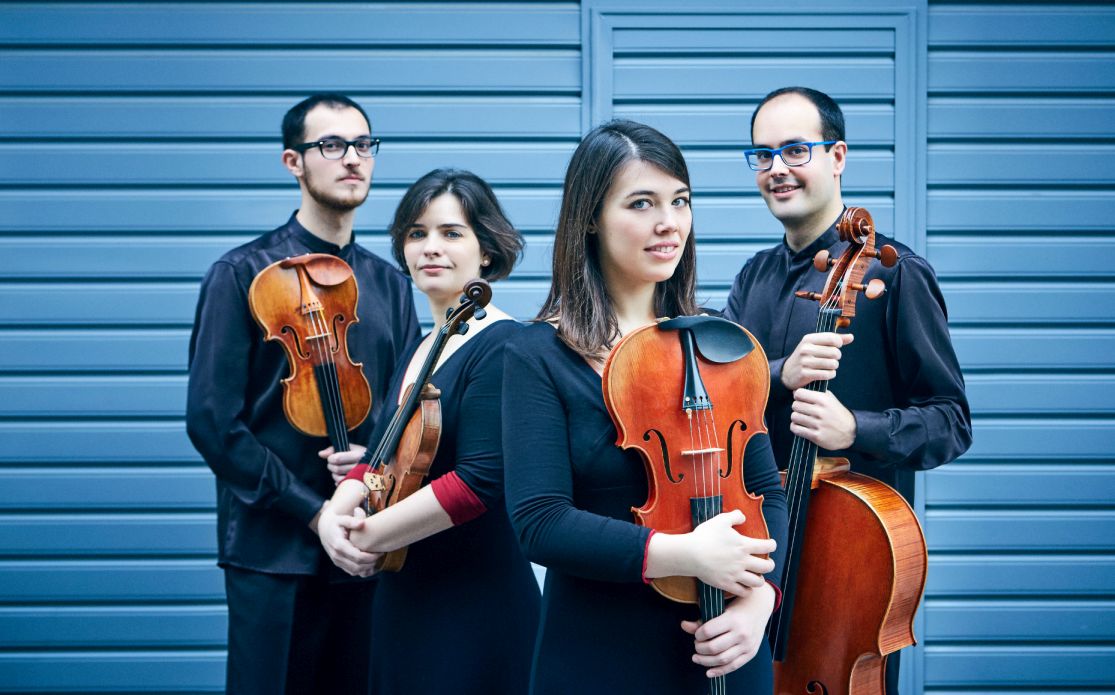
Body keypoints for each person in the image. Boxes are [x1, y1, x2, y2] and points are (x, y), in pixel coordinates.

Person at [502, 120, 788, 694]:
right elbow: (540, 523)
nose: (669, 223)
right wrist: (686, 554)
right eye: (641, 203)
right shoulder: (536, 355)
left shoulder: (721, 344)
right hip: (600, 653)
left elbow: (768, 495)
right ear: (590, 218)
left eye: (680, 201)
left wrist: (762, 598)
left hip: (728, 646)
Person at [724, 86, 973, 693]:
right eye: (763, 155)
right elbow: (718, 396)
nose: (777, 169)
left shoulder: (895, 273)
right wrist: (779, 371)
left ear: (837, 156)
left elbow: (950, 420)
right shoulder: (752, 277)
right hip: (754, 557)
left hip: (846, 575)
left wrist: (854, 429)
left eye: (795, 150)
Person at [185, 94, 419, 695]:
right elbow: (213, 422)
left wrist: (370, 466)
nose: (353, 159)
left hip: (369, 546)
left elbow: (407, 410)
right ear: (294, 161)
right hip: (274, 552)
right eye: (332, 145)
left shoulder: (391, 286)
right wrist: (312, 511)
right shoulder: (242, 274)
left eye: (364, 145)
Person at [316, 168, 540, 695]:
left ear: (487, 251)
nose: (429, 248)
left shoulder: (504, 344)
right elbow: (382, 453)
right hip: (405, 595)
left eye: (451, 233)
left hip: (474, 606)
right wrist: (332, 515)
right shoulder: (423, 345)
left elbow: (480, 481)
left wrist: (365, 537)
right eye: (416, 234)